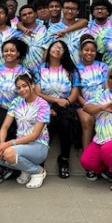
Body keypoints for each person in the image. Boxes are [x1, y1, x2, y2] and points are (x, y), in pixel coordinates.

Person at [0, 73, 50, 189]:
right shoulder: (16, 102)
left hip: (38, 146)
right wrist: (1, 144)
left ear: (32, 85)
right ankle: (25, 169)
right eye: (19, 88)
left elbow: (35, 135)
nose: (22, 90)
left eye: (25, 86)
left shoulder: (43, 105)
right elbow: (4, 127)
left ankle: (38, 171)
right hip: (20, 145)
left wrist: (8, 144)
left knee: (8, 152)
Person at [34, 40, 80, 179]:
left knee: (66, 124)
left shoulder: (71, 70)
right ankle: (39, 162)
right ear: (49, 50)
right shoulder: (40, 69)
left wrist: (65, 102)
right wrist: (54, 103)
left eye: (61, 48)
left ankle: (64, 160)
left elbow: (75, 91)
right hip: (44, 106)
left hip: (65, 106)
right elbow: (37, 92)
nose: (58, 49)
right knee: (49, 124)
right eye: (55, 47)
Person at [0, 39, 30, 183]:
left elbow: (27, 93)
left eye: (12, 50)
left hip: (19, 109)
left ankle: (14, 162)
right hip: (0, 107)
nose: (9, 53)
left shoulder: (23, 72)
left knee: (16, 130)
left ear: (18, 53)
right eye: (6, 50)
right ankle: (0, 166)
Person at [76, 34, 108, 180]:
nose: (89, 53)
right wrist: (88, 106)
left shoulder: (103, 66)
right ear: (81, 51)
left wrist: (102, 106)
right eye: (86, 50)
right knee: (88, 120)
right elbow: (75, 92)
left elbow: (108, 88)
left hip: (103, 104)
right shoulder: (76, 68)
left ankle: (107, 161)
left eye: (92, 50)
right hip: (83, 104)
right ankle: (88, 159)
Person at [47, 0, 89, 65]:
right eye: (67, 8)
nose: (69, 11)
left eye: (73, 9)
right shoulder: (53, 29)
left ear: (78, 11)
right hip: (59, 71)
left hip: (80, 70)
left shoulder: (84, 30)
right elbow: (47, 51)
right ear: (62, 9)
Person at [17, 4, 48, 72]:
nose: (27, 16)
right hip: (23, 71)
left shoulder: (43, 29)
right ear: (21, 18)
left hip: (41, 69)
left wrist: (42, 68)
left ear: (35, 14)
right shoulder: (17, 33)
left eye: (30, 13)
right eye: (24, 15)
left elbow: (46, 49)